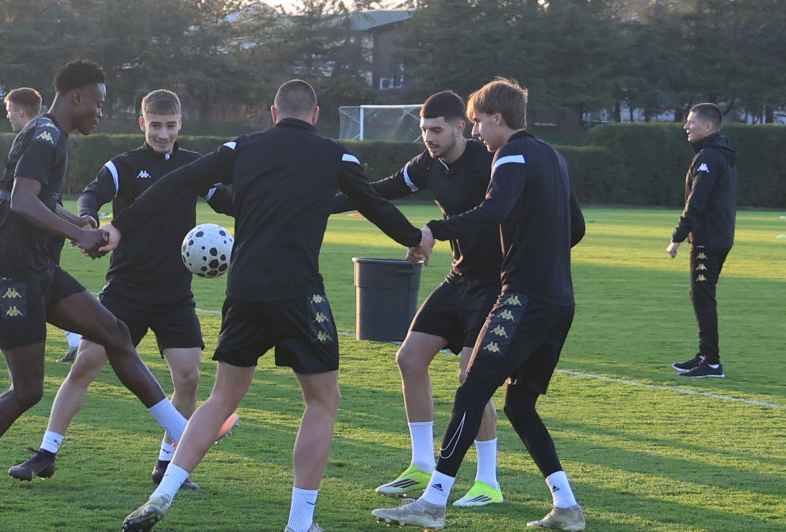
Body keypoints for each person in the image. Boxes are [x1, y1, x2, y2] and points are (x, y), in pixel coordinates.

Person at [111, 79, 429, 532]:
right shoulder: (337, 155)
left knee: (221, 397)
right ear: (315, 115)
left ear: (273, 113)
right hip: (299, 291)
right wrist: (415, 239)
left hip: (243, 291)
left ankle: (162, 495)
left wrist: (121, 225)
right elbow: (375, 205)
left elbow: (176, 182)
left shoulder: (241, 147)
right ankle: (300, 523)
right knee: (322, 401)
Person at [0, 60, 198, 522]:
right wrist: (79, 236)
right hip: (11, 273)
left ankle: (185, 432)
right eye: (100, 104)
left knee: (114, 332)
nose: (102, 113)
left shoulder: (51, 135)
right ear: (78, 98)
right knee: (26, 390)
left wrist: (76, 221)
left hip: (37, 268)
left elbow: (25, 199)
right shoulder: (45, 134)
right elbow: (24, 202)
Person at [372, 78, 586, 531]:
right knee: (520, 405)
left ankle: (432, 503)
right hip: (559, 300)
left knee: (472, 390)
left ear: (497, 118)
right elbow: (577, 228)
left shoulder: (507, 155)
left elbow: (494, 210)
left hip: (522, 297)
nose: (477, 133)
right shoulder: (553, 156)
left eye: (477, 122)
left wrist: (434, 228)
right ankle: (566, 507)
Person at [7, 89, 236, 489]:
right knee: (86, 364)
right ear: (142, 123)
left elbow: (225, 200)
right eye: (156, 125)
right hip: (126, 288)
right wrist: (89, 218)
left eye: (170, 125)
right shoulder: (124, 165)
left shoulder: (195, 165)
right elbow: (93, 194)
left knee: (188, 377)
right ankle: (46, 453)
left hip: (174, 293)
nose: (163, 134)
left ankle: (167, 465)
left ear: (180, 124)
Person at [332, 91, 504, 506]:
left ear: (461, 128)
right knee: (409, 358)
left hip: (496, 283)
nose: (428, 137)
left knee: (471, 377)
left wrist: (430, 232)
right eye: (425, 130)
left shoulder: (490, 160)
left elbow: (497, 212)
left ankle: (488, 483)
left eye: (436, 129)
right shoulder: (428, 164)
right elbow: (379, 192)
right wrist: (315, 205)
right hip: (459, 278)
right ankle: (423, 463)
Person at [0, 87, 86, 363]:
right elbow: (39, 198)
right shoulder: (44, 135)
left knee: (27, 291)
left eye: (9, 112)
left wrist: (78, 229)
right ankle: (75, 341)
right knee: (35, 290)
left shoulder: (38, 136)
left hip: (27, 239)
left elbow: (29, 200)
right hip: (32, 238)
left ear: (21, 112)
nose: (8, 118)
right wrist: (77, 222)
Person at [666, 103, 737, 379]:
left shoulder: (709, 157)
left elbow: (697, 201)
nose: (686, 126)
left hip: (709, 238)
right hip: (718, 235)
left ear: (707, 126)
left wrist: (677, 237)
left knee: (702, 295)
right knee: (701, 294)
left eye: (691, 122)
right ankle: (705, 355)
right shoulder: (720, 152)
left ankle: (713, 362)